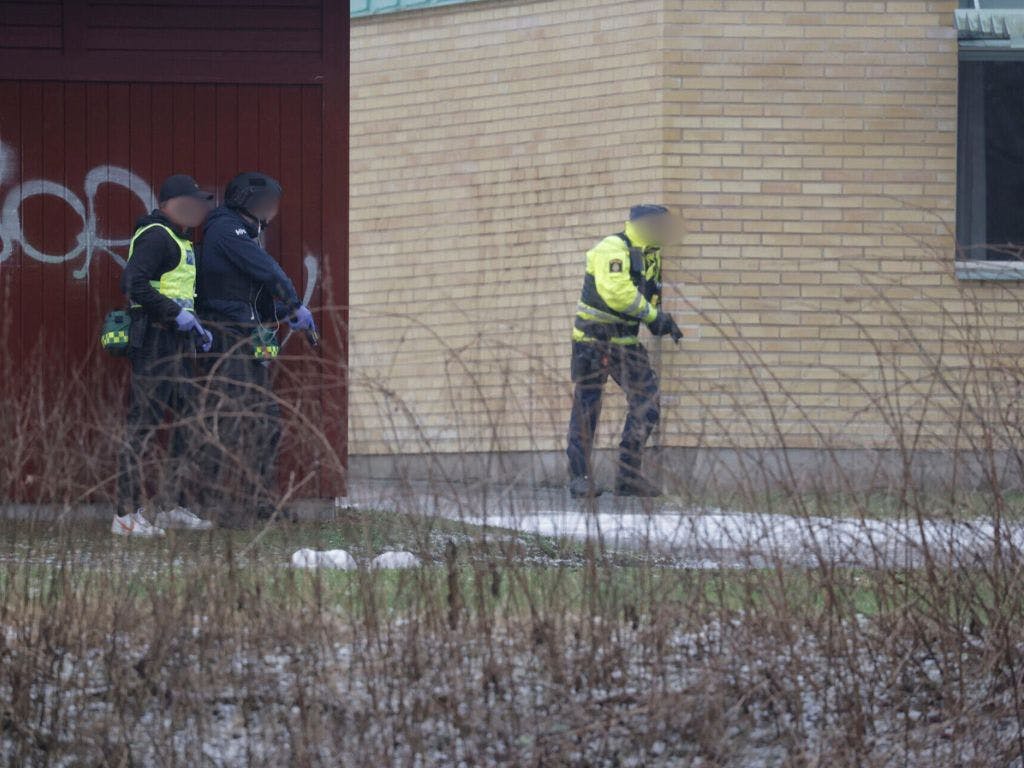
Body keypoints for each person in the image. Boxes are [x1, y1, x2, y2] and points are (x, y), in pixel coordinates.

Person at [196, 172, 316, 526]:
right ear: (249, 201)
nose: (273, 211)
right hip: (227, 338)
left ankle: (260, 502)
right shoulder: (224, 229)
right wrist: (294, 303)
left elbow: (253, 298)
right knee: (234, 422)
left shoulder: (242, 236)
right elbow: (268, 272)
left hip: (246, 336)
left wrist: (282, 314)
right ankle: (227, 507)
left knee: (265, 422)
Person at [113, 174, 216, 536]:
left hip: (176, 344)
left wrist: (196, 327)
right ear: (169, 204)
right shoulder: (157, 236)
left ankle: (172, 505)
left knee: (189, 422)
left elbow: (178, 293)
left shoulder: (179, 239)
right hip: (155, 343)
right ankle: (124, 516)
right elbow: (133, 283)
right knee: (142, 427)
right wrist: (176, 315)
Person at [566, 204, 683, 499]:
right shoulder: (613, 247)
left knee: (648, 402)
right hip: (593, 341)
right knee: (587, 408)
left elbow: (648, 295)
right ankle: (579, 478)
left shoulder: (651, 256)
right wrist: (654, 317)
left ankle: (628, 477)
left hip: (625, 343)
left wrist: (661, 321)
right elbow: (617, 293)